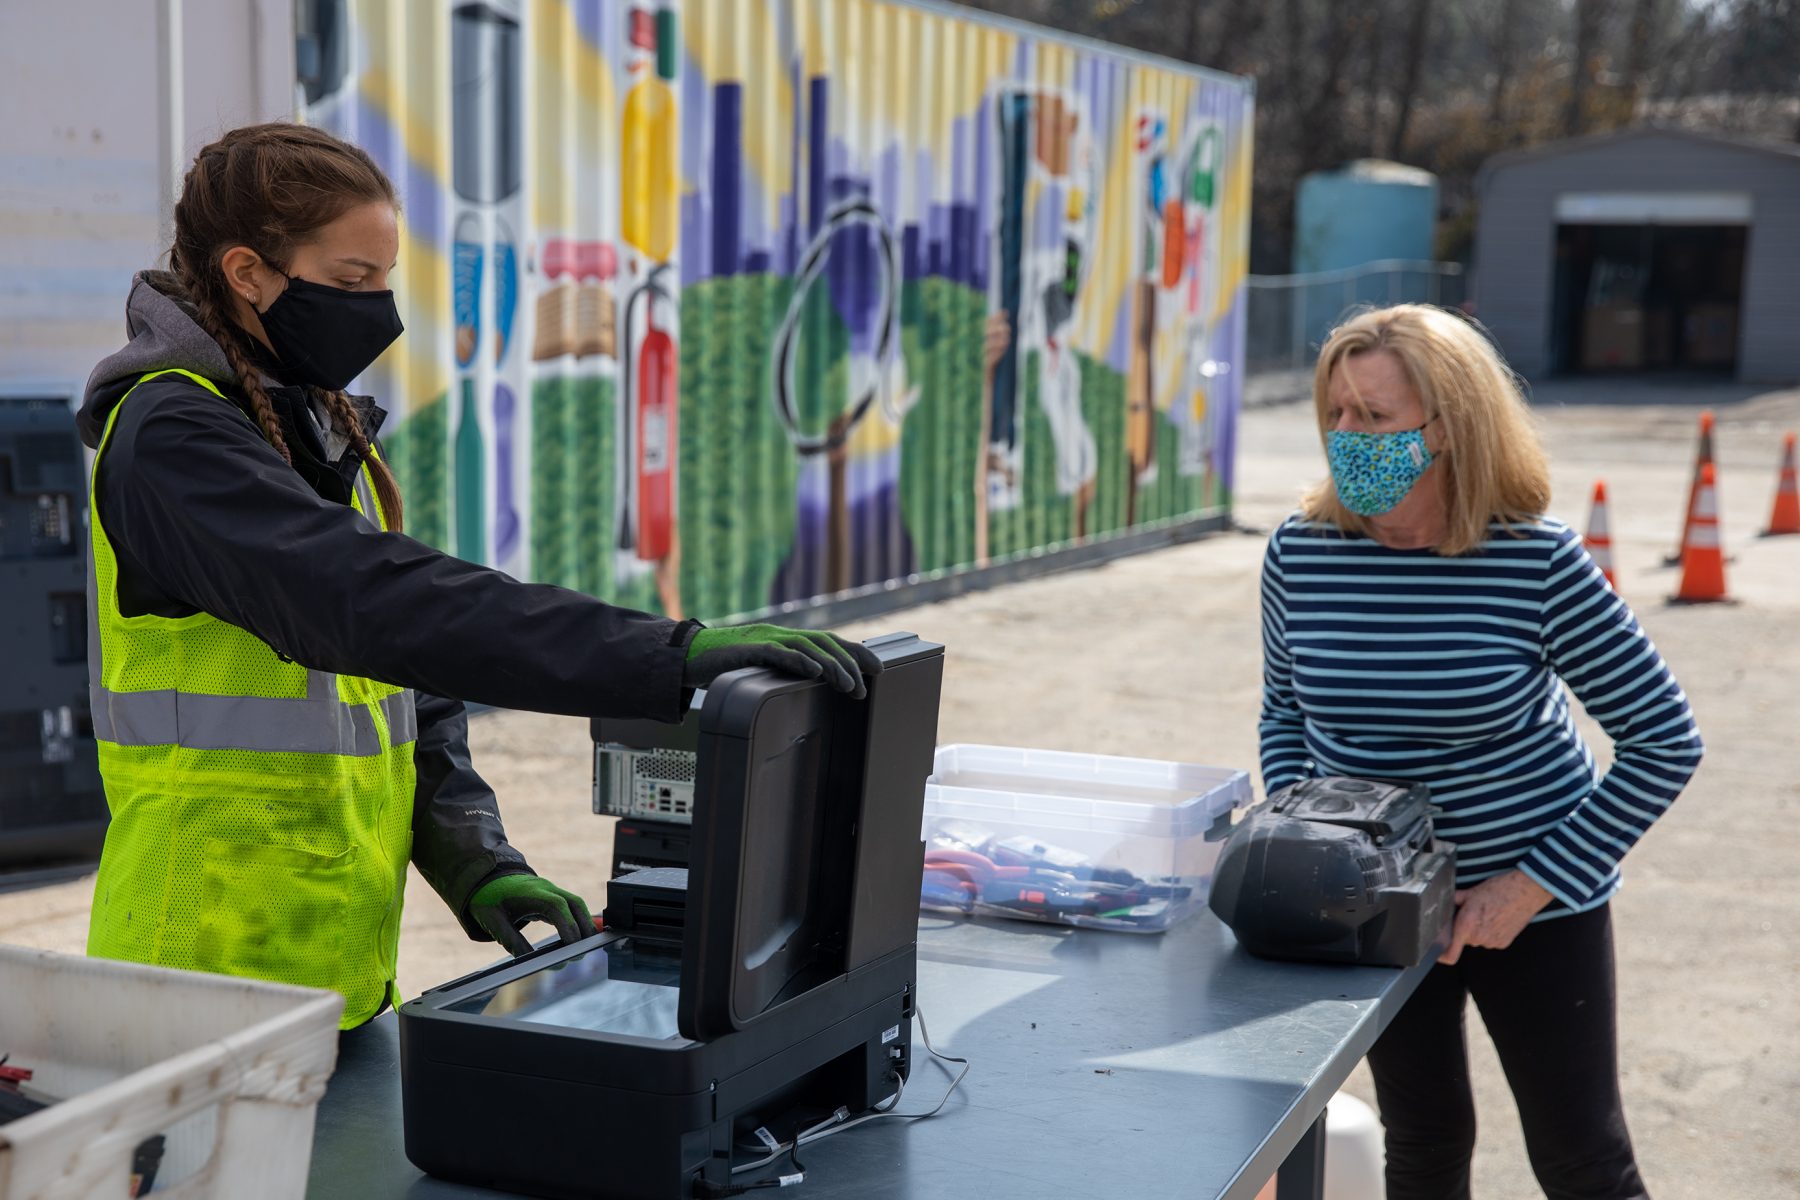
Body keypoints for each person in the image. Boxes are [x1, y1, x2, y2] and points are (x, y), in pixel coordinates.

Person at [79, 123, 882, 1029]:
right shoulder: (174, 441)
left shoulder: (301, 417)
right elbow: (370, 604)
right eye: (352, 283)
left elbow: (393, 681)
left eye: (386, 280)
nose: (380, 311)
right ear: (247, 272)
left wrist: (474, 854)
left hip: (325, 976)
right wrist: (665, 654)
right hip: (191, 976)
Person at [1257, 304, 1703, 1199]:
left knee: (1582, 1158)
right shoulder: (1301, 554)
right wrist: (1319, 846)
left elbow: (1665, 741)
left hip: (1537, 905)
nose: (1348, 436)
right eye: (1335, 415)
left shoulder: (1536, 562)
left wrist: (1528, 886)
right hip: (1373, 910)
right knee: (1422, 1144)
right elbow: (1284, 715)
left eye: (1375, 418)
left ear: (1449, 427)